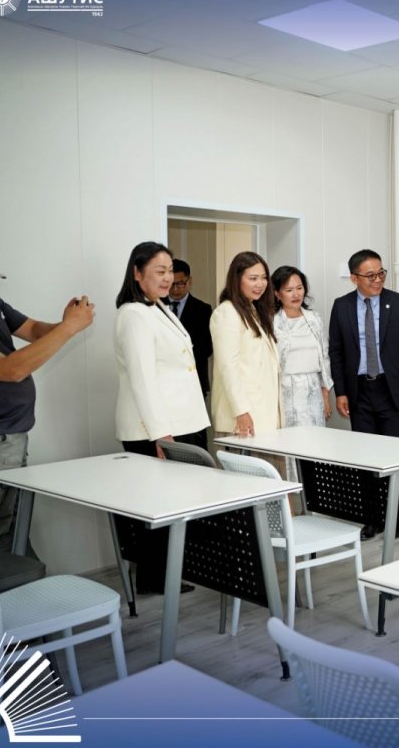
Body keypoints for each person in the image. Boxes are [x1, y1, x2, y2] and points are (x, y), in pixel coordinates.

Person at [0, 242, 95, 552]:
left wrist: (66, 323)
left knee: (12, 526)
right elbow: (11, 369)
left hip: (6, 438)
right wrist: (69, 329)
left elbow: (33, 330)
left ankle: (20, 581)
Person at [114, 241, 211, 593]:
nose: (168, 278)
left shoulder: (156, 307)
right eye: (160, 271)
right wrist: (161, 434)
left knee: (173, 503)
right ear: (137, 273)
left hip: (180, 421)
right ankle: (155, 579)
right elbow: (142, 379)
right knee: (156, 505)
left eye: (170, 271)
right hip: (156, 428)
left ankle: (166, 574)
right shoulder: (133, 314)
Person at [328, 249, 399, 439]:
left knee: (397, 448)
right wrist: (341, 392)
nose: (378, 280)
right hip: (359, 391)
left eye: (381, 273)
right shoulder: (342, 306)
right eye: (371, 276)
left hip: (392, 388)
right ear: (354, 278)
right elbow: (336, 353)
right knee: (365, 449)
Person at [210, 252, 280, 439]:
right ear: (237, 279)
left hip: (262, 413)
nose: (260, 284)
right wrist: (241, 411)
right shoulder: (227, 312)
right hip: (242, 418)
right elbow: (228, 367)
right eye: (253, 278)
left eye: (264, 278)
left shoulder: (254, 310)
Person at [271, 265, 332, 428]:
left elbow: (325, 358)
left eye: (299, 288)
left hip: (313, 388)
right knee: (288, 439)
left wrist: (325, 396)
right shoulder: (271, 323)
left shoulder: (314, 319)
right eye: (289, 290)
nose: (296, 294)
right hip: (284, 389)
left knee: (314, 438)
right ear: (277, 294)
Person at [163, 258, 213, 398]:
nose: (175, 289)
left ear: (190, 281)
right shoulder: (156, 307)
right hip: (164, 380)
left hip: (194, 380)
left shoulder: (203, 310)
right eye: (171, 284)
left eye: (180, 284)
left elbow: (207, 348)